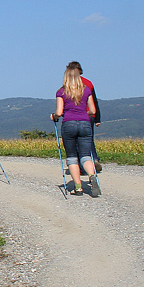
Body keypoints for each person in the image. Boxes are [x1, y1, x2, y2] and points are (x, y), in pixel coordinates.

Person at [51, 67, 100, 196]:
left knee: (72, 157)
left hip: (69, 124)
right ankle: (91, 175)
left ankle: (78, 187)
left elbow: (59, 112)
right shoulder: (86, 90)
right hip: (85, 123)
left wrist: (54, 116)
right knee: (85, 155)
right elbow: (93, 111)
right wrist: (83, 113)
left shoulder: (61, 92)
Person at [68, 61, 102, 172]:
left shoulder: (69, 84)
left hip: (75, 115)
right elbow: (95, 101)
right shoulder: (88, 83)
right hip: (90, 115)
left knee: (77, 140)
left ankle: (82, 166)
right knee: (89, 139)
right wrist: (97, 118)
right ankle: (94, 159)